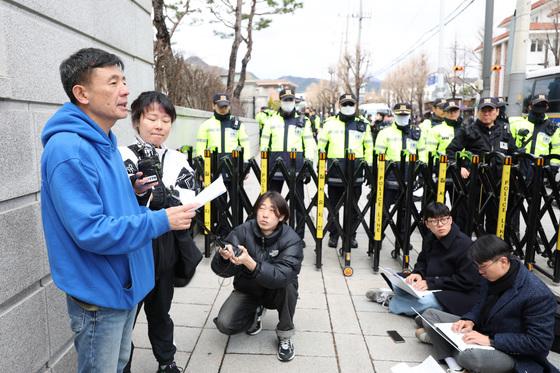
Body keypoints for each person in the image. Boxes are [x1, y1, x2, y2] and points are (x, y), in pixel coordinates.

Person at [40, 48, 197, 373]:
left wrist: (135, 194)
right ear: (81, 93)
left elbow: (108, 206)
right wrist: (162, 219)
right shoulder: (70, 150)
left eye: (123, 80)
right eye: (113, 82)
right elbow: (91, 230)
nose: (125, 90)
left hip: (123, 287)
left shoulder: (104, 141)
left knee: (118, 363)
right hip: (100, 296)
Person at [120, 91, 201, 373]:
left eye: (166, 120)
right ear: (136, 121)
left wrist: (161, 199)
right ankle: (122, 364)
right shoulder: (123, 155)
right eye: (152, 118)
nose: (159, 125)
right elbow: (127, 200)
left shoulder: (178, 159)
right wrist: (164, 200)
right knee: (126, 317)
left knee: (160, 311)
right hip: (133, 248)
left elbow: (190, 198)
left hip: (165, 247)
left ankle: (166, 361)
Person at [420, 235, 559, 373]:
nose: (480, 272)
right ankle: (454, 362)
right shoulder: (492, 274)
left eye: (483, 267)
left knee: (471, 357)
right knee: (429, 315)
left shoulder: (537, 294)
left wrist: (491, 341)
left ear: (503, 261)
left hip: (512, 353)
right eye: (477, 267)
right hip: (483, 330)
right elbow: (481, 302)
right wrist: (470, 319)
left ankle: (444, 345)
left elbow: (539, 343)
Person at [211, 191, 304, 362]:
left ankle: (285, 334)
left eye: (272, 210)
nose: (265, 214)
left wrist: (249, 262)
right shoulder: (243, 231)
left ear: (282, 216)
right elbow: (222, 271)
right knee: (225, 323)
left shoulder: (292, 240)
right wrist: (224, 258)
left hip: (276, 291)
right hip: (248, 289)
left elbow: (281, 276)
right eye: (262, 208)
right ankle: (255, 312)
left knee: (288, 286)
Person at [365, 203, 479, 319]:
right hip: (431, 281)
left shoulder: (464, 244)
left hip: (453, 290)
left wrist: (430, 283)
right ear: (427, 224)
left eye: (444, 220)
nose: (440, 225)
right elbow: (422, 261)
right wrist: (418, 273)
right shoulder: (430, 237)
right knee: (400, 281)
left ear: (450, 220)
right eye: (434, 221)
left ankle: (392, 301)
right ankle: (413, 307)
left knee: (426, 302)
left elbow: (466, 280)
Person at [446, 97, 517, 234]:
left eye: (490, 110)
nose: (486, 114)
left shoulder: (504, 131)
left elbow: (513, 153)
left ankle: (490, 253)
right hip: (475, 185)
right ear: (478, 112)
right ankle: (465, 252)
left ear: (497, 112)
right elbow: (451, 151)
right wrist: (458, 167)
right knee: (468, 221)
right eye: (483, 110)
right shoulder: (468, 130)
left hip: (497, 184)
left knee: (495, 221)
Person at [318, 93, 373, 249]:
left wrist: (368, 167)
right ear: (339, 105)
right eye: (345, 104)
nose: (348, 107)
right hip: (335, 170)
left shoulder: (363, 125)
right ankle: (334, 235)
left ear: (355, 105)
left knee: (353, 207)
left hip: (355, 171)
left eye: (350, 104)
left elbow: (369, 147)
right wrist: (321, 167)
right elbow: (321, 146)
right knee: (334, 206)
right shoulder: (329, 124)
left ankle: (351, 235)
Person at [260, 88, 316, 242]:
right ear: (280, 101)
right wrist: (263, 166)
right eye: (285, 100)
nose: (288, 103)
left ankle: (299, 236)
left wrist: (309, 165)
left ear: (295, 102)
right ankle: (272, 232)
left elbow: (309, 144)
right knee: (272, 202)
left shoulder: (302, 121)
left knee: (298, 203)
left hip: (296, 166)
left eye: (291, 100)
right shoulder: (271, 120)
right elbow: (264, 144)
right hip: (275, 166)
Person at [375, 102, 427, 251]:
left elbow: (422, 152)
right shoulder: (385, 133)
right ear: (394, 115)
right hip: (389, 177)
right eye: (400, 115)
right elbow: (379, 155)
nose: (403, 117)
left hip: (408, 176)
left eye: (405, 115)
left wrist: (420, 170)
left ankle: (402, 239)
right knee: (384, 210)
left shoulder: (416, 133)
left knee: (405, 211)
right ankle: (378, 237)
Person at [195, 93, 250, 235]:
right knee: (219, 201)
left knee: (237, 201)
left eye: (225, 106)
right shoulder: (206, 125)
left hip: (234, 168)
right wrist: (202, 170)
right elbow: (200, 148)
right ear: (213, 106)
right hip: (214, 168)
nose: (223, 109)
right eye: (220, 106)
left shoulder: (237, 124)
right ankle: (221, 229)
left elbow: (245, 144)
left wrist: (245, 165)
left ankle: (237, 229)